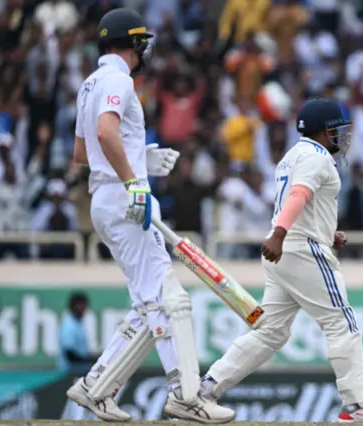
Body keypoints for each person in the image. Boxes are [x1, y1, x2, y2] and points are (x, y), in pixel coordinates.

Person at [65, 8, 234, 423]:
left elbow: (82, 154)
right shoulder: (118, 79)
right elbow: (105, 133)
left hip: (107, 200)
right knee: (170, 300)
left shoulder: (89, 83)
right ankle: (187, 395)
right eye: (142, 42)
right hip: (126, 200)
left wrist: (142, 160)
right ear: (131, 43)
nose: (146, 49)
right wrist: (134, 181)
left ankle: (96, 387)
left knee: (151, 303)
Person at [199, 98, 363, 423]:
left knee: (270, 333)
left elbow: (301, 202)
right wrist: (278, 233)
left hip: (289, 250)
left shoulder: (293, 156)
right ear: (323, 130)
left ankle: (206, 390)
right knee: (341, 322)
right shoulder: (317, 158)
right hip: (301, 249)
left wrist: (325, 232)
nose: (343, 137)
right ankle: (357, 407)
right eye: (338, 130)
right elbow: (298, 196)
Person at [59, 293, 97, 374]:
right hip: (69, 373)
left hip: (78, 371)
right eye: (81, 306)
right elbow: (70, 354)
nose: (84, 309)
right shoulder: (69, 325)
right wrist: (89, 360)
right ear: (73, 306)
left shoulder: (78, 324)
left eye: (85, 306)